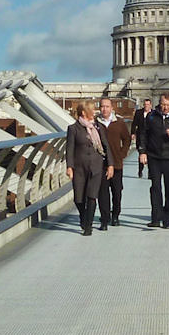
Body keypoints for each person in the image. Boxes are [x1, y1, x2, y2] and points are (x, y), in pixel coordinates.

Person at [64, 101, 110, 237]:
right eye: (92, 110)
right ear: (84, 113)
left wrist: (110, 164)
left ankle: (88, 227)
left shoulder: (98, 127)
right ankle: (83, 218)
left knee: (91, 196)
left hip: (96, 167)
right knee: (78, 199)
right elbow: (70, 149)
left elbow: (106, 147)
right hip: (79, 168)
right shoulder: (73, 129)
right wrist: (69, 167)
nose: (94, 112)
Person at [140, 92, 169, 228]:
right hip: (154, 157)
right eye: (163, 104)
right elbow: (143, 134)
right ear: (159, 103)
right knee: (155, 188)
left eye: (168, 105)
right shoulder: (152, 117)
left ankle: (167, 218)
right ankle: (156, 218)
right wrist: (142, 152)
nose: (165, 107)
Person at [95, 96, 131, 229]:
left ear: (112, 108)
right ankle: (104, 219)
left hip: (116, 163)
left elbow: (127, 139)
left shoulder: (119, 123)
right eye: (102, 106)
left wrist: (122, 154)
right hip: (101, 164)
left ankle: (115, 215)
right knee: (102, 193)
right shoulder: (95, 123)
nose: (104, 109)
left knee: (117, 191)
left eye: (107, 106)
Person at [131, 98, 155, 178]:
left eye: (148, 105)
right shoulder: (138, 113)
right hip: (140, 136)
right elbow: (134, 124)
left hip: (151, 137)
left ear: (151, 105)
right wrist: (133, 133)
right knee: (141, 154)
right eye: (145, 104)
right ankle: (140, 170)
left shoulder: (154, 113)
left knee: (150, 155)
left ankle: (150, 173)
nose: (146, 106)